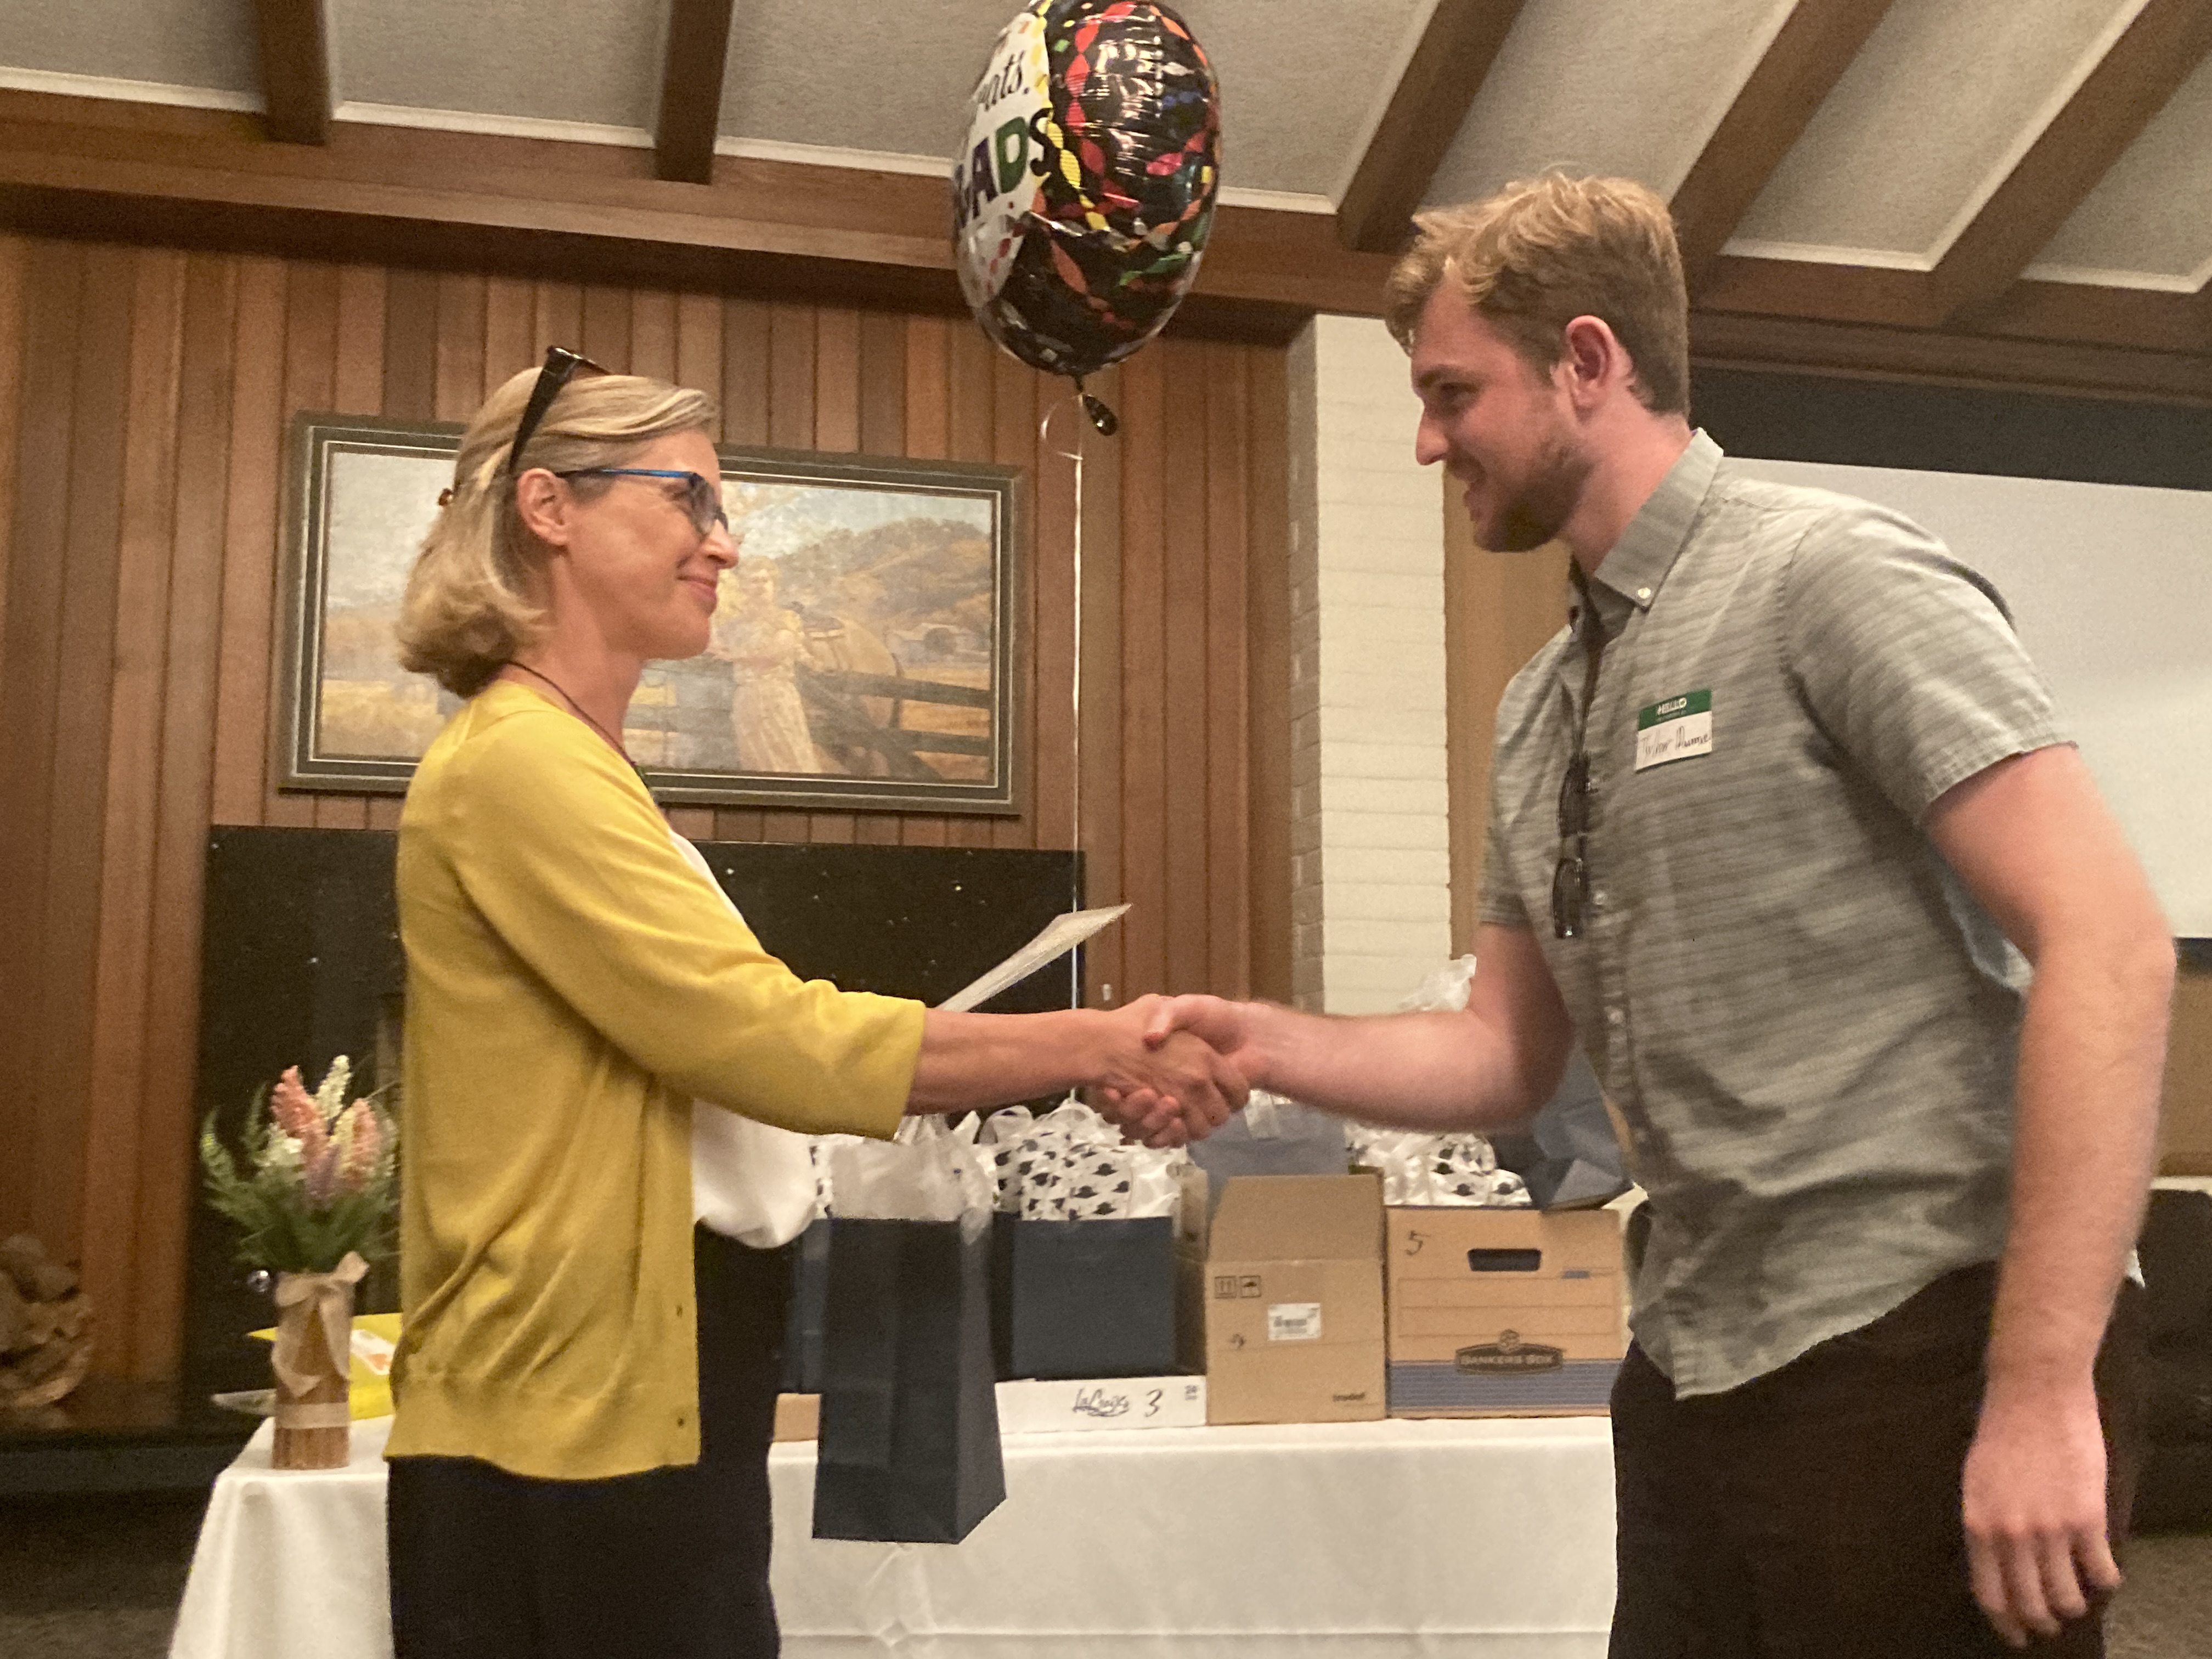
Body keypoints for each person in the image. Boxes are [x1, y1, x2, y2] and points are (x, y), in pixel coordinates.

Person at [1132, 176, 2173, 1655]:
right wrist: (1260, 1043)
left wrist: (2040, 1385)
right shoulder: (1543, 709)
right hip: (1696, 1356)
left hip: (1924, 1348)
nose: (1429, 439)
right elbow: (1505, 1059)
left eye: (1451, 392)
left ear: (1589, 361)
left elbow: (2111, 942)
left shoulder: (1832, 577)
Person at [386, 347, 1244, 1659]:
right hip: (571, 1403)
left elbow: (731, 1069)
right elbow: (767, 1039)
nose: (723, 546)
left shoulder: (574, 764)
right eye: (689, 499)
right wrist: (1093, 1040)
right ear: (550, 507)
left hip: (640, 1374)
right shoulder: (518, 763)